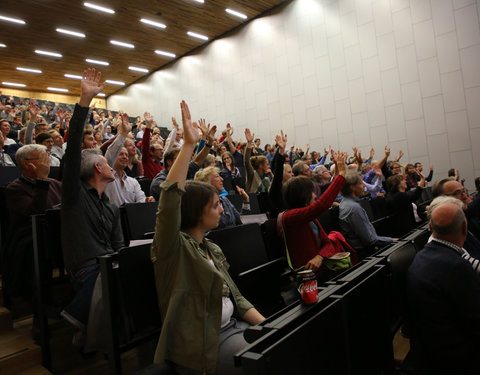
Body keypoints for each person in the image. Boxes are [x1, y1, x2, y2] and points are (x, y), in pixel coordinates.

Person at [151, 100, 265, 374]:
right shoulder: (173, 248)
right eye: (215, 205)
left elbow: (236, 299)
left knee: (283, 345)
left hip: (234, 327)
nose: (221, 209)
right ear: (195, 211)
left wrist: (269, 327)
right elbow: (169, 200)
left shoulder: (211, 247)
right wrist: (189, 145)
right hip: (204, 342)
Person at [60, 69, 124, 339]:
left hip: (109, 263)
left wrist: (126, 259)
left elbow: (119, 244)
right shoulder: (73, 195)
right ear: (98, 168)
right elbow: (73, 148)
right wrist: (83, 102)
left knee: (127, 269)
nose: (111, 166)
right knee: (108, 274)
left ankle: (85, 329)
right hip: (87, 267)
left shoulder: (109, 204)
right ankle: (79, 323)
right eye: (108, 163)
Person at [406, 202, 480, 374]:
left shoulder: (423, 255)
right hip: (457, 357)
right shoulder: (456, 267)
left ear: (431, 227)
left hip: (432, 352)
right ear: (465, 228)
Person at [3, 144, 62, 296]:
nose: (47, 162)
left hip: (58, 232)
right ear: (26, 163)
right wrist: (41, 180)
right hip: (32, 238)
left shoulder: (55, 184)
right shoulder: (14, 189)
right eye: (42, 159)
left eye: (47, 157)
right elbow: (35, 213)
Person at [278, 151, 347, 273]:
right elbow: (322, 205)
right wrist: (341, 175)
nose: (315, 195)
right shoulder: (289, 217)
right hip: (306, 278)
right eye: (311, 192)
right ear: (303, 195)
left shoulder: (310, 217)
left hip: (322, 269)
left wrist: (319, 256)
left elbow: (328, 244)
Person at [339, 172, 395, 255]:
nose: (364, 186)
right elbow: (370, 240)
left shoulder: (346, 202)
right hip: (365, 253)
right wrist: (392, 240)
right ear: (352, 188)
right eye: (361, 183)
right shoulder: (354, 208)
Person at [244, 129, 271, 194]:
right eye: (267, 164)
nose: (269, 166)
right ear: (260, 165)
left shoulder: (266, 179)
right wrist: (249, 143)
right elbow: (247, 161)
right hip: (254, 203)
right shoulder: (252, 175)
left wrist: (272, 176)